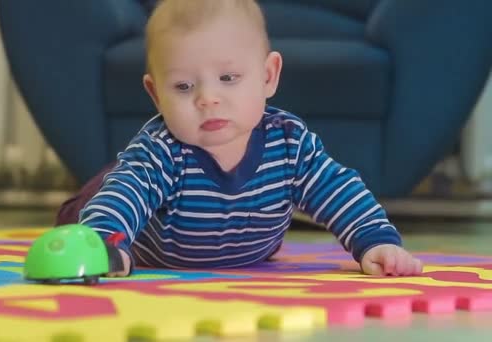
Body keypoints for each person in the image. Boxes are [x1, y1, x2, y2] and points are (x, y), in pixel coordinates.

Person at [56, 0, 423, 277]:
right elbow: (126, 195)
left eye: (228, 78)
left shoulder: (289, 144)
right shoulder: (161, 152)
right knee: (107, 192)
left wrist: (376, 241)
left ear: (268, 76)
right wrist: (102, 244)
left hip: (249, 250)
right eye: (184, 86)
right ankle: (86, 218)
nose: (208, 99)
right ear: (156, 96)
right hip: (130, 216)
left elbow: (337, 190)